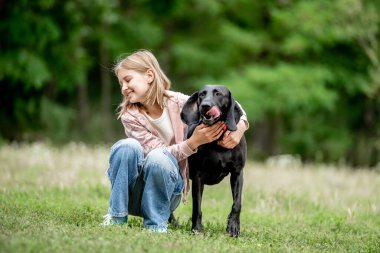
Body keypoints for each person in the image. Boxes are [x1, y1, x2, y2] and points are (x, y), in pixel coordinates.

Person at [101, 49, 249, 232]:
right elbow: (160, 152)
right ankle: (116, 216)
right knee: (127, 146)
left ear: (149, 75)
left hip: (166, 193)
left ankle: (155, 225)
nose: (123, 87)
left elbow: (228, 101)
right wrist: (192, 143)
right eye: (120, 83)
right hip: (134, 193)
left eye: (128, 80)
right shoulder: (129, 117)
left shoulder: (178, 102)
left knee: (158, 159)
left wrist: (241, 126)